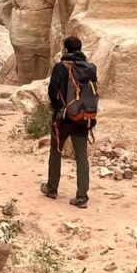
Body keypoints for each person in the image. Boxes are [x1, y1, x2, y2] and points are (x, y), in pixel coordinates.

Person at [41, 35, 97, 208]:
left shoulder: (60, 67)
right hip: (83, 117)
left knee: (56, 150)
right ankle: (82, 197)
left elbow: (52, 91)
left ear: (66, 49)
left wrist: (57, 107)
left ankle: (52, 188)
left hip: (63, 118)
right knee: (81, 156)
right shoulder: (90, 68)